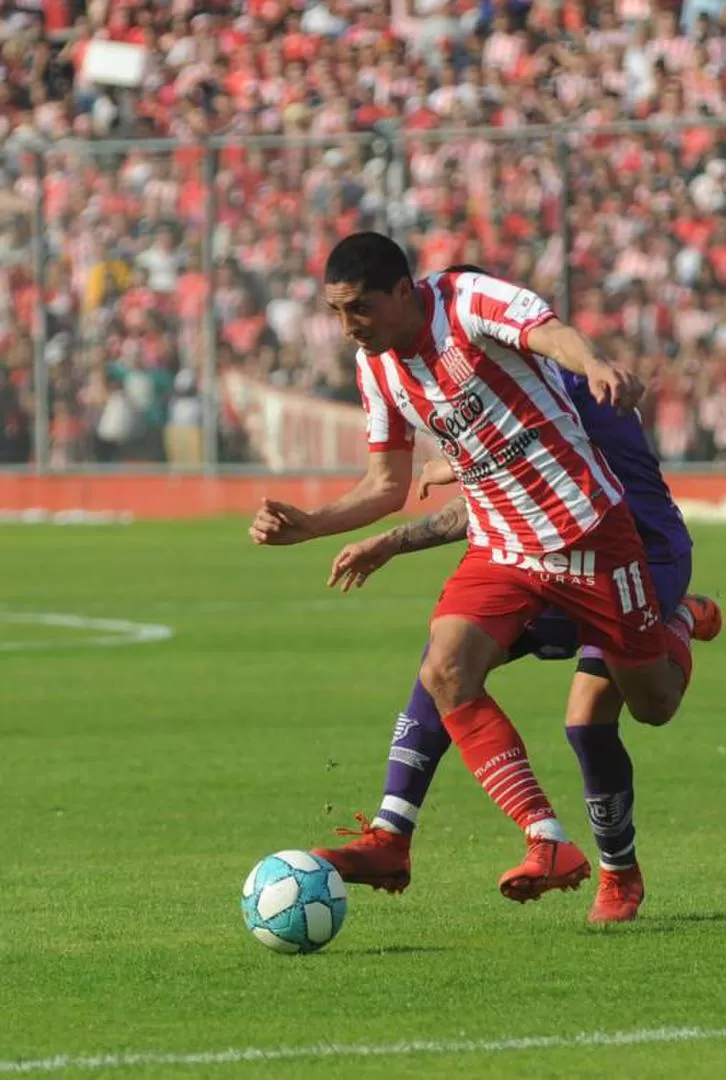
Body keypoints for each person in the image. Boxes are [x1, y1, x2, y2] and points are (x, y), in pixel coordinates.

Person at [250, 232, 702, 905]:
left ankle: (685, 621)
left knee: (648, 706)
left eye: (358, 310)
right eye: (336, 311)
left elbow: (550, 333)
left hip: (596, 541)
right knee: (443, 667)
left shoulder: (470, 302)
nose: (346, 327)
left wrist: (597, 363)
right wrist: (312, 525)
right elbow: (386, 482)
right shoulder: (376, 368)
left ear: (404, 291)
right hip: (503, 550)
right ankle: (532, 837)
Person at [314, 386, 720, 924]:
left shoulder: (555, 387)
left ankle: (620, 869)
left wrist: (453, 474)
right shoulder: (503, 382)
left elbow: (539, 488)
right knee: (445, 666)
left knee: (618, 714)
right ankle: (392, 834)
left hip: (631, 560)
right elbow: (506, 498)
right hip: (540, 559)